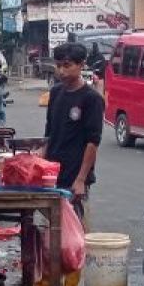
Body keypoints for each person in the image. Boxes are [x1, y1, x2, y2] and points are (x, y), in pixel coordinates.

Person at [41, 42, 103, 218]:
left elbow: (93, 142)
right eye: (58, 65)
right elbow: (49, 130)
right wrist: (41, 161)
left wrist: (81, 179)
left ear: (81, 65)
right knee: (51, 225)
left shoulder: (91, 99)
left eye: (67, 65)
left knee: (74, 228)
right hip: (53, 173)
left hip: (75, 174)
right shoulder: (55, 92)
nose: (61, 71)